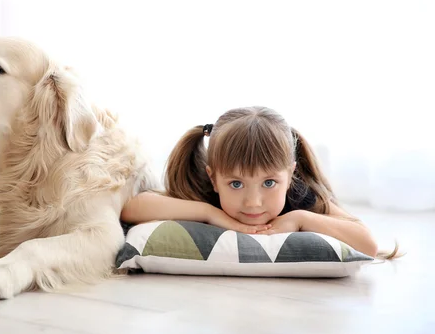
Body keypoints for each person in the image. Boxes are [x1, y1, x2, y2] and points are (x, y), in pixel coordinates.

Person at [121, 106, 397, 258]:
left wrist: (301, 218)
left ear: (290, 176)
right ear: (213, 178)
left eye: (269, 183)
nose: (253, 202)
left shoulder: (298, 196)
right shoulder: (205, 193)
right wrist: (211, 214)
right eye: (236, 184)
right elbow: (132, 208)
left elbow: (368, 244)